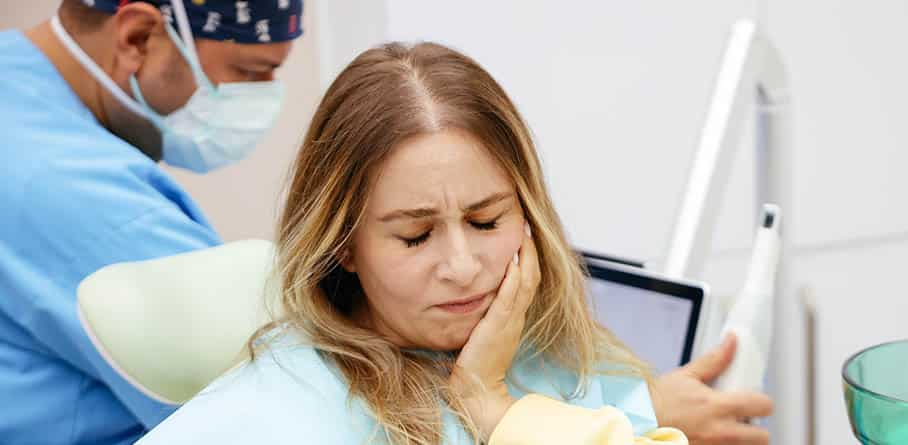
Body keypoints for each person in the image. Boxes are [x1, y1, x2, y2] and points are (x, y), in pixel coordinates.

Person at [138, 41, 765, 444]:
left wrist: (644, 408)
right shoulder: (275, 417)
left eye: (488, 221)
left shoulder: (550, 353)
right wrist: (492, 407)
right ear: (344, 245)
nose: (464, 268)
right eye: (415, 236)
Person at [0, 0, 303, 443]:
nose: (267, 96)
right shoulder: (73, 189)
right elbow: (266, 403)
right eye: (250, 73)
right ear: (137, 37)